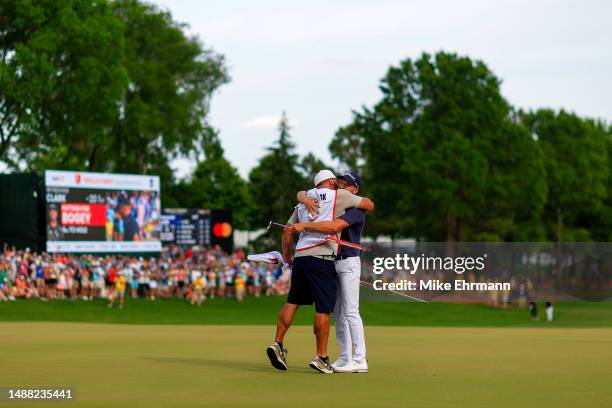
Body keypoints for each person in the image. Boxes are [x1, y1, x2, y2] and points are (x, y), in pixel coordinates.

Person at [266, 169, 374, 374]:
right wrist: (304, 198)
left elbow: (292, 229)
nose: (341, 185)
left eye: (345, 183)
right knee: (329, 310)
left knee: (341, 309)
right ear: (332, 181)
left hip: (331, 259)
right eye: (339, 181)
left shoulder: (321, 200)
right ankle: (329, 357)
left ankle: (358, 359)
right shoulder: (335, 197)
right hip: (325, 259)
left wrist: (288, 256)